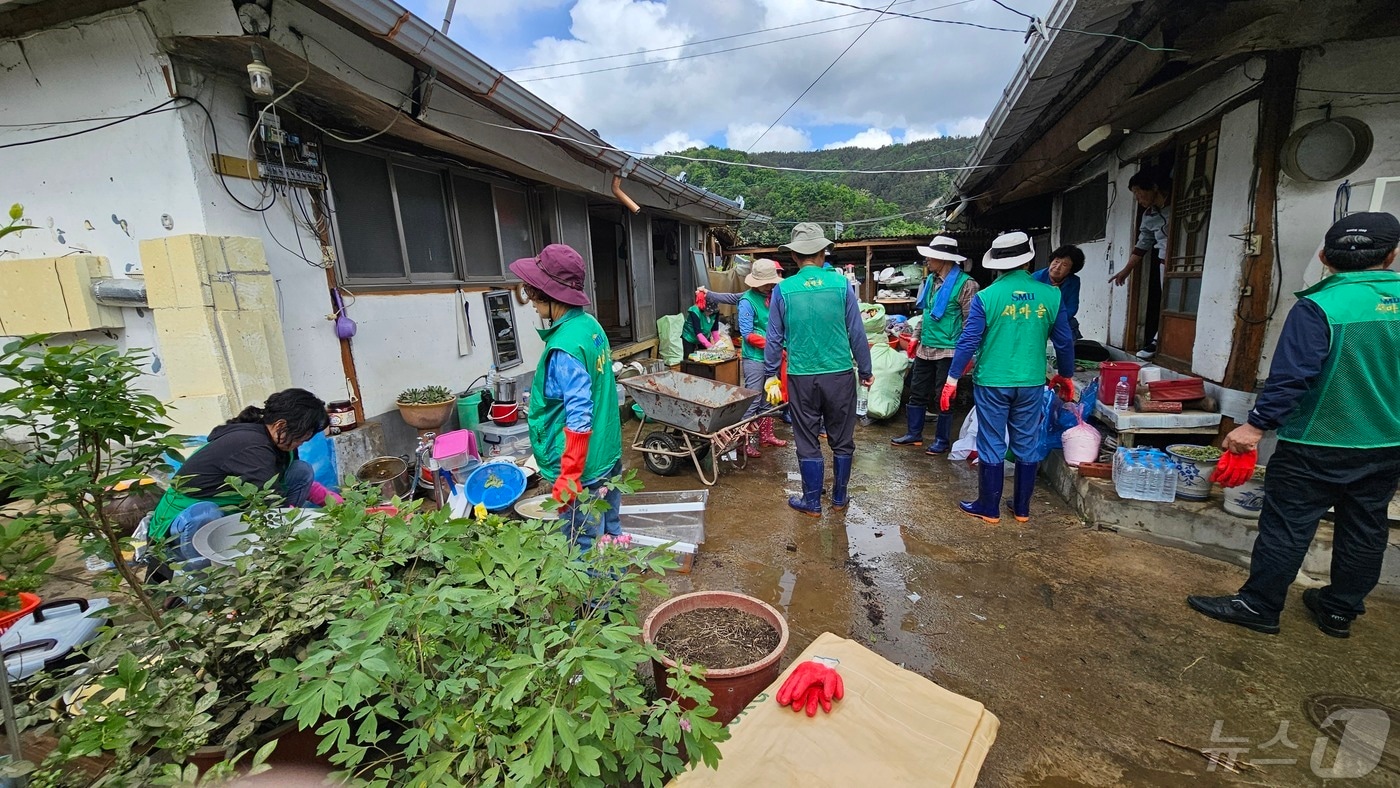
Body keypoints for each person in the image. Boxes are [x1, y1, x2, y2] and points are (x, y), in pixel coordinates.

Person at [1188, 212, 1400, 639]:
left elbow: (1293, 376)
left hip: (1317, 441)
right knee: (1366, 525)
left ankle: (1260, 605)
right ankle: (1339, 611)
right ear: (1392, 257)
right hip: (1387, 443)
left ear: (1324, 257)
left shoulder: (1319, 307)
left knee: (1288, 524)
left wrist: (1256, 426)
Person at [943, 232, 1076, 524]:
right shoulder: (1052, 295)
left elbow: (968, 341)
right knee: (1026, 441)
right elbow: (1065, 342)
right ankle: (1022, 509)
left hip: (992, 381)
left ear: (997, 264)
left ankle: (988, 508)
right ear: (1028, 260)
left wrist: (952, 379)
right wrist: (1066, 375)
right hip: (1031, 382)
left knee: (991, 441)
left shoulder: (987, 297)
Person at [511, 244, 624, 553]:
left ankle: (594, 602)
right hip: (608, 453)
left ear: (549, 294)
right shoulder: (590, 326)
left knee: (581, 544)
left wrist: (570, 475)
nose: (532, 303)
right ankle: (616, 593)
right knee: (610, 529)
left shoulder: (564, 347)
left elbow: (579, 413)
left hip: (584, 469)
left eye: (534, 295)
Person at [148, 388, 336, 565]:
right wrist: (310, 532)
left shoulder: (277, 441)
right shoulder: (251, 447)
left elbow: (295, 482)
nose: (301, 444)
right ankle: (202, 576)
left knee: (300, 470)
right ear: (281, 425)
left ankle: (270, 546)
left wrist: (338, 506)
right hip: (182, 524)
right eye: (300, 438)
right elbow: (274, 504)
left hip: (229, 512)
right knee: (205, 514)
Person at [763, 222, 873, 516]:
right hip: (839, 375)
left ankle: (811, 502)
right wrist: (865, 370)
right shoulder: (841, 286)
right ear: (823, 254)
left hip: (801, 376)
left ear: (795, 257)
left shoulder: (783, 290)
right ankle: (839, 498)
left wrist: (771, 375)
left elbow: (774, 337)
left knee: (807, 438)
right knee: (842, 438)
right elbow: (857, 333)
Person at [891, 235, 979, 454]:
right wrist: (915, 336)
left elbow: (971, 323)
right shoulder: (930, 281)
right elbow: (927, 313)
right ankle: (914, 434)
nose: (927, 260)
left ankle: (941, 440)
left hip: (949, 350)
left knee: (944, 395)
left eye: (931, 256)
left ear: (944, 259)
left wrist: (967, 355)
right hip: (926, 347)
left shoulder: (966, 285)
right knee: (917, 390)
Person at [700, 259, 788, 457]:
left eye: (772, 282)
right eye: (768, 283)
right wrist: (773, 345)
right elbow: (747, 334)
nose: (771, 285)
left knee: (770, 399)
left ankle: (766, 436)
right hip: (755, 358)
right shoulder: (747, 301)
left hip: (773, 357)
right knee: (753, 401)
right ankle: (743, 442)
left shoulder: (773, 295)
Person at [1109, 169, 1172, 359]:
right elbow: (1142, 244)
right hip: (1164, 263)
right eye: (1134, 193)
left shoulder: (1177, 203)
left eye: (1138, 191)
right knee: (1166, 302)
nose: (1137, 197)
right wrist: (1126, 270)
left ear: (1153, 187)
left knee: (1176, 304)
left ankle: (1158, 341)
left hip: (1188, 264)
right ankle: (1158, 341)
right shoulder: (1148, 215)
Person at [1033, 245, 1084, 340]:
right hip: (1038, 318)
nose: (1057, 267)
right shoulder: (1035, 279)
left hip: (1061, 318)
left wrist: (1058, 319)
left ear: (1071, 270)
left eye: (1064, 265)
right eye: (1056, 261)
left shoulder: (1074, 281)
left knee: (1071, 328)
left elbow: (1072, 307)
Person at [681, 294, 722, 360]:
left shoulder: (715, 312)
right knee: (688, 358)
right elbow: (698, 332)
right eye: (708, 311)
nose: (710, 313)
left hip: (705, 335)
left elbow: (714, 328)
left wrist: (718, 343)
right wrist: (709, 346)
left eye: (712, 311)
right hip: (690, 336)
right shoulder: (695, 311)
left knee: (705, 357)